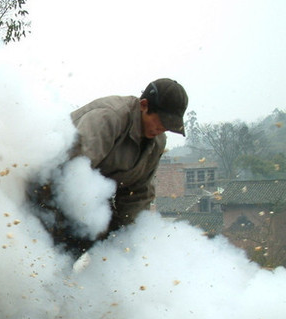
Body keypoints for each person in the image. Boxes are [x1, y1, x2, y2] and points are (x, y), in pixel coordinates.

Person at [28, 78, 188, 260]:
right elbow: (71, 171)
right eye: (160, 122)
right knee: (76, 235)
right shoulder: (108, 118)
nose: (162, 129)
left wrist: (123, 240)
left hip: (89, 197)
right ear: (144, 105)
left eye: (167, 126)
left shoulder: (157, 142)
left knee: (101, 234)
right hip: (49, 186)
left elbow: (138, 194)